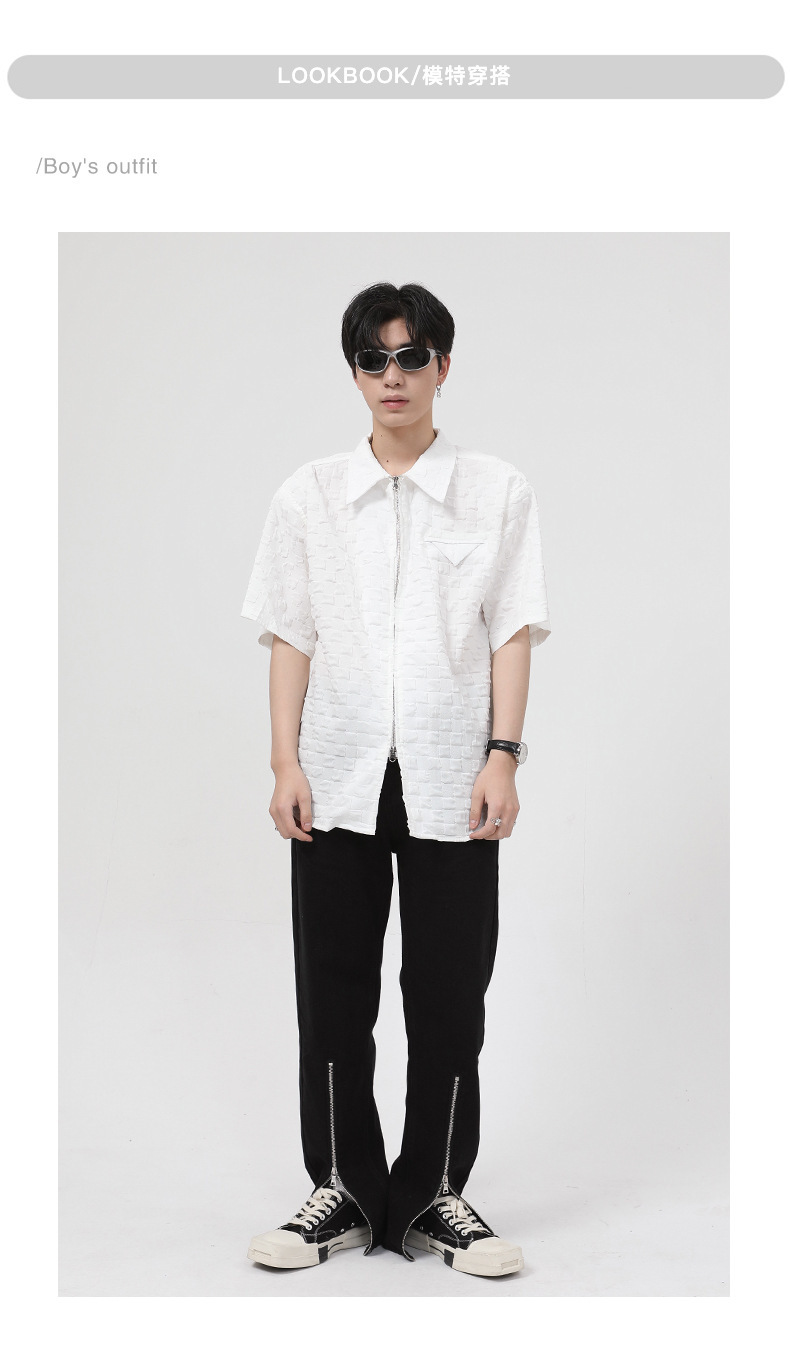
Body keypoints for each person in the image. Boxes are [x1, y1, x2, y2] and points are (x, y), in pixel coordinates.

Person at [240, 281, 551, 1278]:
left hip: (453, 776)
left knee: (449, 995)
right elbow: (291, 633)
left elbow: (511, 630)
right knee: (332, 996)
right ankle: (339, 1189)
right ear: (354, 372)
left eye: (411, 356)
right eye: (373, 359)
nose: (392, 376)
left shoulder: (496, 491)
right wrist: (285, 760)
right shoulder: (309, 495)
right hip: (334, 774)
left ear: (442, 367)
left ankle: (431, 1196)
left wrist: (503, 755)